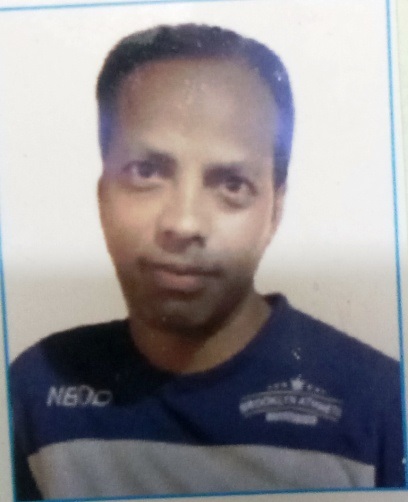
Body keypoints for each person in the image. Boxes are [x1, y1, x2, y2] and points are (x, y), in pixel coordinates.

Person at [10, 24, 405, 500]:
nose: (183, 223)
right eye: (147, 171)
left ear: (274, 211)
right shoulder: (35, 391)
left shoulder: (382, 405)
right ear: (103, 195)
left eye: (232, 184)